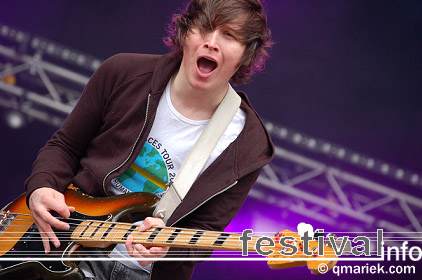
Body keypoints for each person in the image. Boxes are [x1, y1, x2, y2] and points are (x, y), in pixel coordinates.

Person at [25, 0, 274, 279]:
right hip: (58, 242)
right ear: (185, 32)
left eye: (229, 35)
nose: (211, 43)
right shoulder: (123, 73)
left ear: (246, 54)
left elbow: (205, 231)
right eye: (204, 28)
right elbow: (65, 147)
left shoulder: (248, 142)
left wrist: (168, 247)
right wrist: (41, 188)